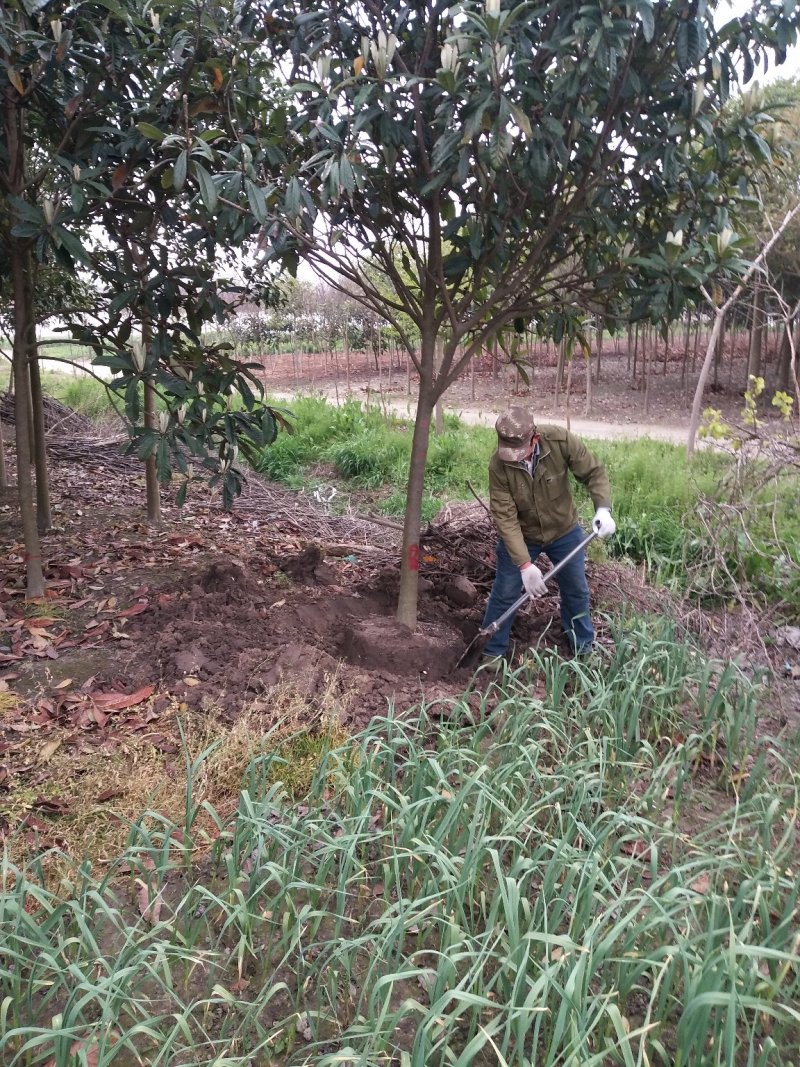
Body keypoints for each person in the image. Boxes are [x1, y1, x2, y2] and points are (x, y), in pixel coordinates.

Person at [481, 406, 615, 659]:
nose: (516, 459)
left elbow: (593, 472)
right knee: (505, 592)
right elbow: (505, 517)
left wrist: (603, 509)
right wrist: (524, 565)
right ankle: (491, 652)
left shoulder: (560, 441)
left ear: (535, 438)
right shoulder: (498, 466)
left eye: (520, 452)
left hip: (564, 531)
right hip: (522, 535)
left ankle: (582, 648)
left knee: (576, 589)